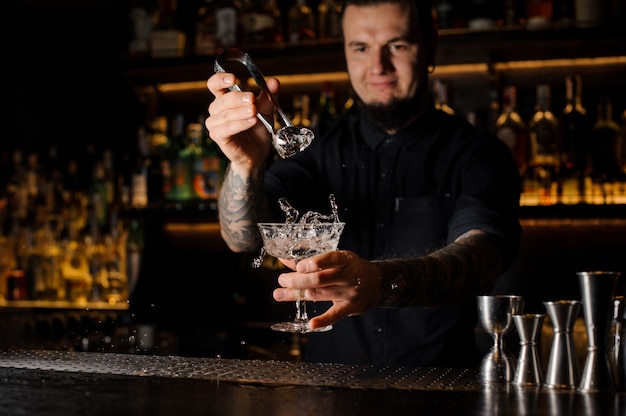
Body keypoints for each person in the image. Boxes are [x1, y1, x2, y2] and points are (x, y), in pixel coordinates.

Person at [205, 0, 521, 368]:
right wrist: (246, 166)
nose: (378, 66)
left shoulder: (479, 154)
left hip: (442, 394)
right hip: (330, 393)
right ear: (345, 52)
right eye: (361, 48)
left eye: (397, 46)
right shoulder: (314, 152)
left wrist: (380, 281)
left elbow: (481, 261)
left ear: (430, 47)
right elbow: (244, 237)